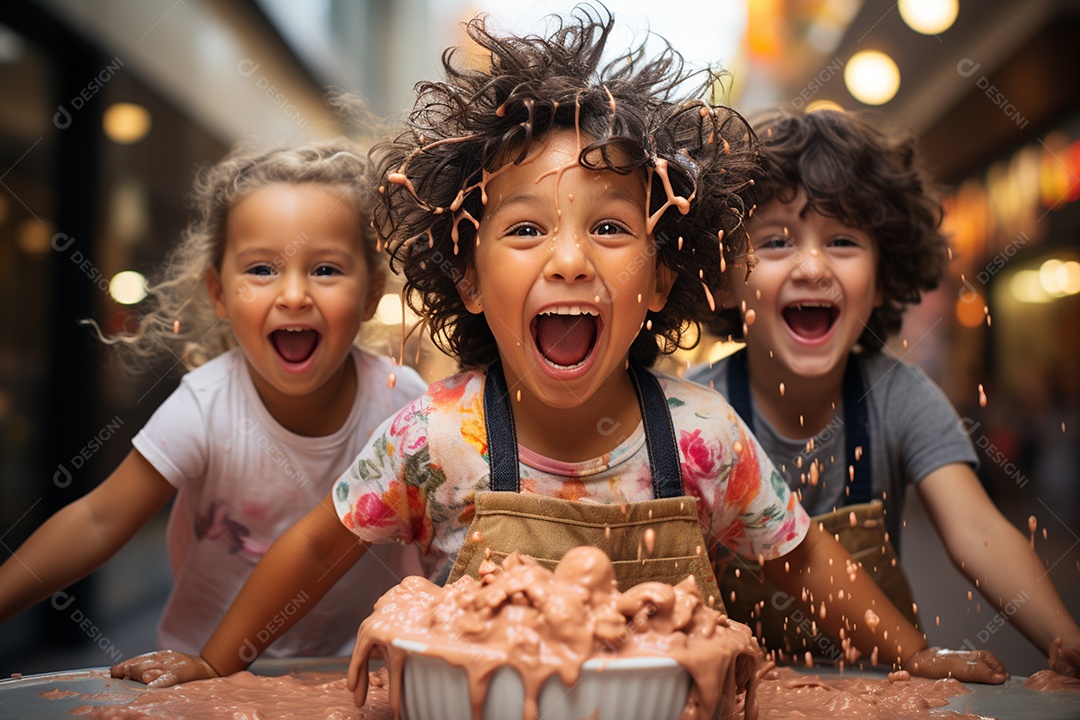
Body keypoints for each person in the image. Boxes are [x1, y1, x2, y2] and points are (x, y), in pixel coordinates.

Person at [111, 7, 1006, 691]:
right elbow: (315, 550)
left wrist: (916, 656)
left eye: (612, 228)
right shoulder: (436, 437)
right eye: (527, 228)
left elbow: (803, 556)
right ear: (466, 278)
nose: (570, 259)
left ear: (661, 283)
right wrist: (217, 665)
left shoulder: (702, 436)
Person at [688, 107, 1080, 678]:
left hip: (882, 693)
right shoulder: (695, 412)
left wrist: (1065, 639)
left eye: (842, 240)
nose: (814, 266)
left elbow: (978, 530)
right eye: (776, 242)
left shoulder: (898, 396)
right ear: (724, 278)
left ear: (882, 278)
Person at [0, 139, 428, 658]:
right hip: (201, 672)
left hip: (346, 679)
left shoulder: (403, 404)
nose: (293, 294)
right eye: (262, 269)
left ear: (370, 292)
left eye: (326, 269)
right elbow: (99, 519)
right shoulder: (206, 405)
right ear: (219, 293)